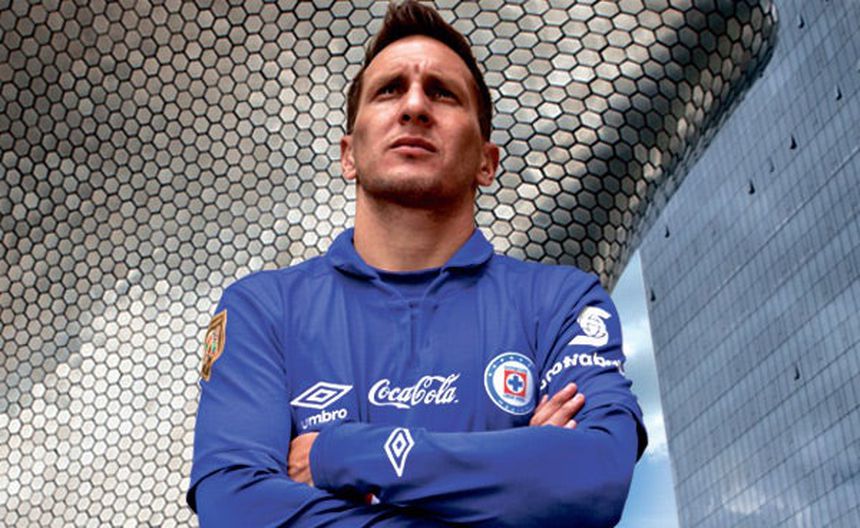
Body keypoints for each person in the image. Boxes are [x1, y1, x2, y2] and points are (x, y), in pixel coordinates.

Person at [187, 1, 647, 526]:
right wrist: (519, 481)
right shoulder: (264, 308)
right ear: (348, 155)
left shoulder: (560, 302)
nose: (414, 107)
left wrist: (340, 453)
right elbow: (236, 508)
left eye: (442, 93)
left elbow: (593, 473)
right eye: (389, 90)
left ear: (487, 162)